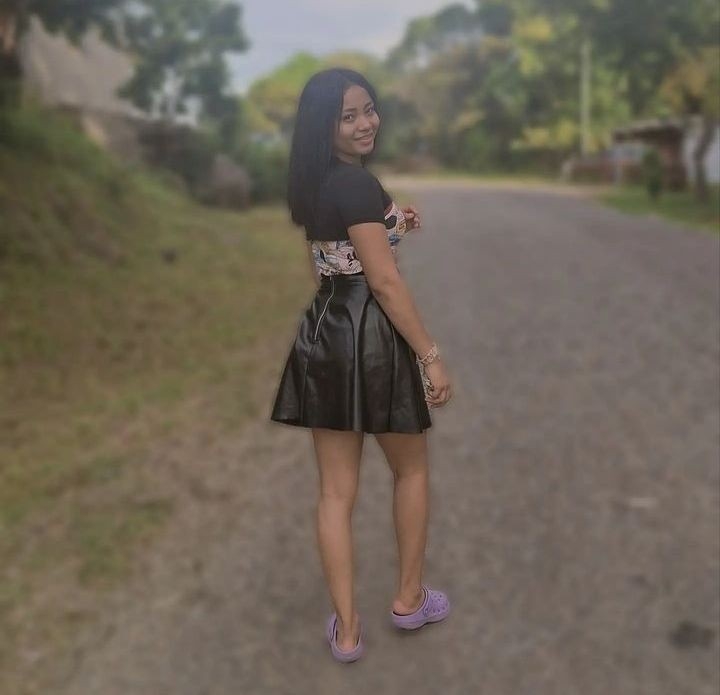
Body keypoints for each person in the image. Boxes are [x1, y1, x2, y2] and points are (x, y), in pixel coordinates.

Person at [270, 68, 452, 663]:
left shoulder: (315, 183)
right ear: (324, 126)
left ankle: (347, 632)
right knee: (411, 470)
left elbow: (337, 257)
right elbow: (383, 281)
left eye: (368, 109)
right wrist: (430, 355)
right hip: (374, 335)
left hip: (326, 331)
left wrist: (396, 224)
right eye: (348, 116)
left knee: (334, 493)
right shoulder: (356, 183)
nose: (365, 123)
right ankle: (409, 599)